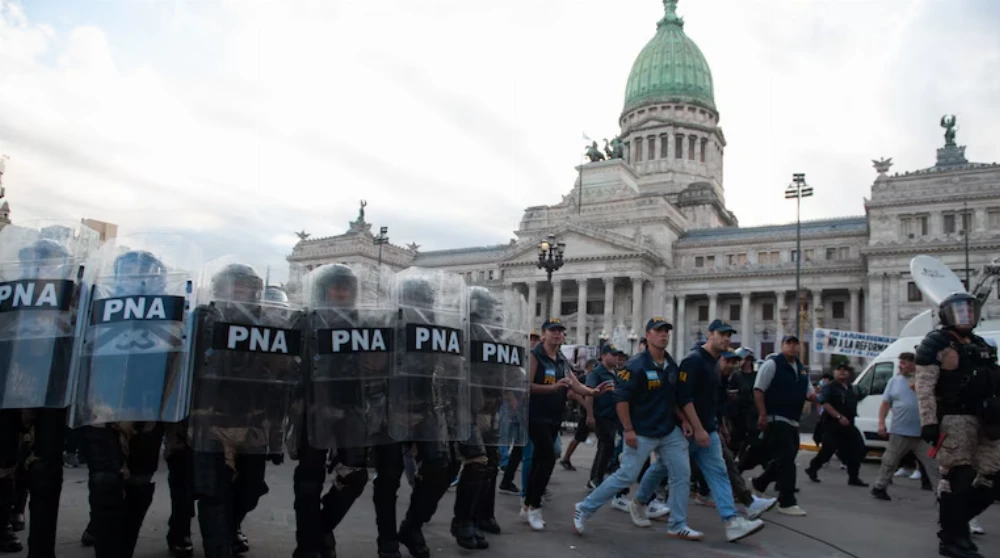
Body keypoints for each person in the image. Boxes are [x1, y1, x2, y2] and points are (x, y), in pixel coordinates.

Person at [0, 231, 92, 557]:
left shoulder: (75, 295)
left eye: (50, 265)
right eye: (37, 264)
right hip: (8, 384)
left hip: (52, 388)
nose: (43, 271)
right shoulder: (7, 291)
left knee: (46, 469)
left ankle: (41, 547)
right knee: (4, 462)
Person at [571, 318, 674, 536]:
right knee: (626, 473)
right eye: (659, 331)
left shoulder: (669, 364)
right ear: (647, 336)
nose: (664, 335)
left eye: (666, 331)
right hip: (636, 428)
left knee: (675, 467)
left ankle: (667, 514)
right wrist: (628, 428)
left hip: (663, 429)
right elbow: (620, 398)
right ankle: (586, 506)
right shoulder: (634, 366)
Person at [915, 292, 1000, 558]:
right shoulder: (936, 343)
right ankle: (952, 538)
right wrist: (929, 422)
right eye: (960, 311)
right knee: (959, 478)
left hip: (985, 419)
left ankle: (956, 527)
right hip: (954, 419)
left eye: (970, 310)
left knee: (992, 477)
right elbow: (925, 386)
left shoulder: (981, 344)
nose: (967, 315)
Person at [670, 320, 766, 542]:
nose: (727, 339)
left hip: (706, 428)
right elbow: (684, 398)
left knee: (719, 471)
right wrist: (696, 427)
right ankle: (640, 501)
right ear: (709, 334)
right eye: (722, 334)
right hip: (686, 430)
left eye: (729, 335)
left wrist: (714, 427)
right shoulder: (693, 360)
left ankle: (731, 521)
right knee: (664, 471)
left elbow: (713, 400)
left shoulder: (714, 363)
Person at [522, 318, 612, 530]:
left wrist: (593, 392)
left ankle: (527, 503)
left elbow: (574, 383)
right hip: (536, 415)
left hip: (554, 416)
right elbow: (526, 385)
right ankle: (534, 506)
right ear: (544, 334)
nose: (558, 335)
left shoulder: (561, 359)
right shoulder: (536, 356)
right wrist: (552, 388)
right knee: (547, 456)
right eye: (553, 331)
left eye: (561, 332)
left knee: (539, 459)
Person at [750, 335, 817, 516]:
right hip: (776, 418)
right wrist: (762, 414)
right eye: (789, 344)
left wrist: (813, 396)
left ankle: (760, 483)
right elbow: (758, 389)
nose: (793, 348)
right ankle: (786, 501)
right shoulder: (772, 364)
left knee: (785, 457)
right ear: (782, 346)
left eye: (796, 344)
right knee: (788, 459)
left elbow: (809, 391)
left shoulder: (801, 369)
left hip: (793, 419)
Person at [871, 352, 940, 501]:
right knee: (890, 461)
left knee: (933, 464)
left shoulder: (924, 381)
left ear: (914, 364)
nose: (900, 366)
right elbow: (885, 404)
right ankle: (879, 486)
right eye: (900, 363)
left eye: (904, 363)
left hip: (922, 432)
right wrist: (881, 423)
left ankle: (941, 493)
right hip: (900, 430)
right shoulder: (894, 382)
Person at [717, 351, 777, 519]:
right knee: (673, 468)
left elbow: (718, 406)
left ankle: (743, 507)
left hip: (741, 422)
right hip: (733, 421)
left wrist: (721, 426)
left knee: (727, 464)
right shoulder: (730, 377)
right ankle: (648, 498)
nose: (733, 365)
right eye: (729, 361)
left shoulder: (727, 379)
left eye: (735, 361)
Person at [805, 364, 868, 486]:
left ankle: (853, 477)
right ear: (834, 372)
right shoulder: (830, 387)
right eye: (839, 370)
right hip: (832, 424)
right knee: (828, 450)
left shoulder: (851, 388)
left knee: (858, 449)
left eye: (845, 370)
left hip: (849, 424)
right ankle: (813, 468)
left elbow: (860, 395)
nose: (842, 372)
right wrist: (839, 416)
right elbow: (826, 404)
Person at [586, 347, 622, 490]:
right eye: (612, 355)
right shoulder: (597, 373)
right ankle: (597, 478)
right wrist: (589, 415)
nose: (616, 358)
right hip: (601, 414)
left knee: (605, 447)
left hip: (612, 415)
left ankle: (594, 477)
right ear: (603, 356)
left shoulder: (615, 373)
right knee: (607, 446)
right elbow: (589, 394)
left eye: (617, 355)